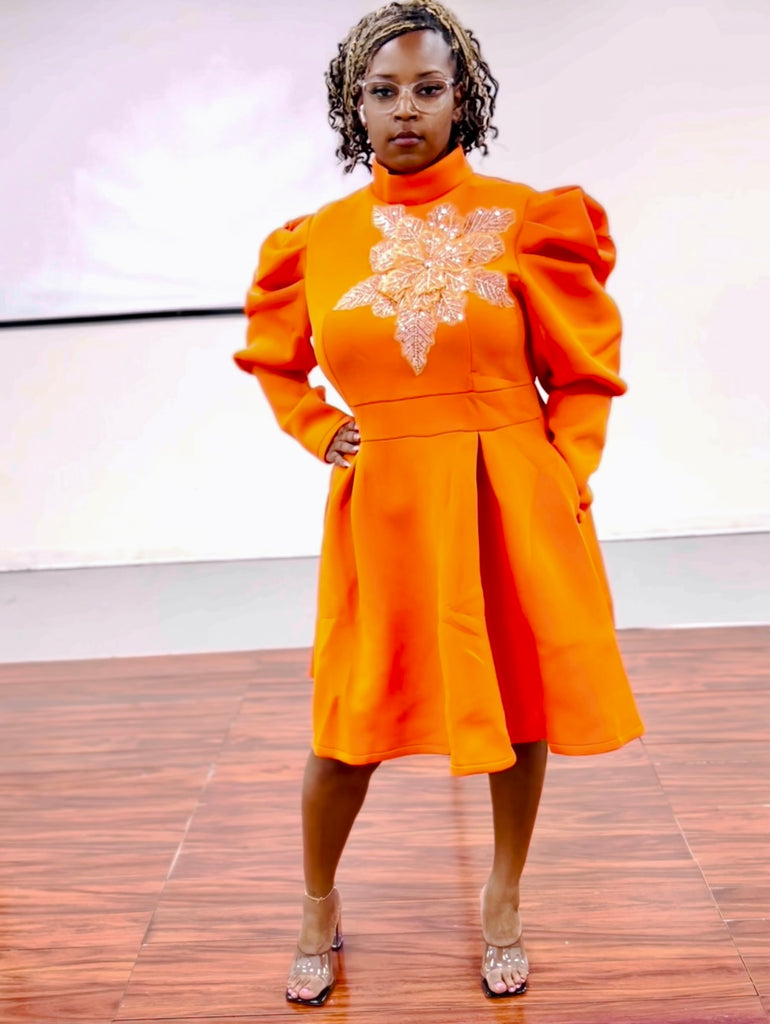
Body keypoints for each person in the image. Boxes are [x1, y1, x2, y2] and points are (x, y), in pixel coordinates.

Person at [234, 0, 644, 1006]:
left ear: (464, 99)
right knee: (347, 726)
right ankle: (317, 904)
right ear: (354, 105)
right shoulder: (314, 242)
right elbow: (275, 361)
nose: (405, 109)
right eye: (382, 91)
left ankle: (503, 897)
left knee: (519, 702)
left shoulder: (528, 218)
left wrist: (565, 471)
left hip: (508, 491)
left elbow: (583, 370)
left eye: (427, 88)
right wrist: (317, 426)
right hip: (385, 507)